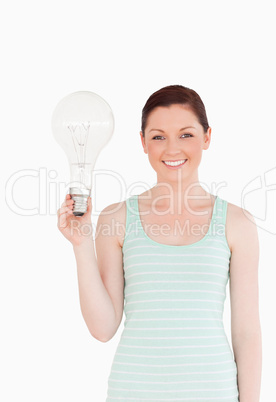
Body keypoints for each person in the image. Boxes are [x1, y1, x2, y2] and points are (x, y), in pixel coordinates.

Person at [57, 85, 262, 401]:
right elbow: (103, 328)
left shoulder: (237, 223)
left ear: (207, 137)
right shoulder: (117, 219)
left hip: (213, 391)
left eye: (186, 134)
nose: (171, 149)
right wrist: (80, 243)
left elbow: (246, 333)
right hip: (133, 390)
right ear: (142, 142)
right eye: (158, 136)